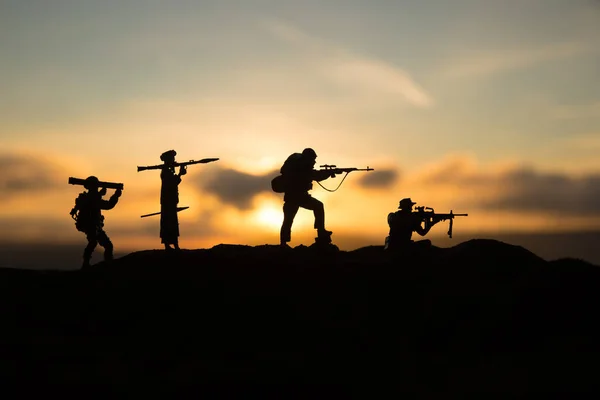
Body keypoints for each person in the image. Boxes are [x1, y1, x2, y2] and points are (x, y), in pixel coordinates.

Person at [279, 148, 338, 246]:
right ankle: (321, 233)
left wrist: (328, 173)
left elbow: (314, 174)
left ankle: (284, 243)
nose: (314, 162)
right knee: (290, 219)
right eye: (313, 159)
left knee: (289, 220)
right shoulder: (302, 169)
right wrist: (329, 173)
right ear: (308, 159)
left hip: (296, 196)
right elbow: (316, 176)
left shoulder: (300, 167)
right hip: (296, 197)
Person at [70, 176, 122, 268]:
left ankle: (106, 262)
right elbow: (107, 205)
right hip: (90, 225)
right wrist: (114, 195)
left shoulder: (91, 198)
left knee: (106, 245)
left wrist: (114, 195)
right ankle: (87, 263)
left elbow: (107, 205)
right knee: (95, 242)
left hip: (95, 226)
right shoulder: (90, 198)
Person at [160, 150, 186, 250]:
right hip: (168, 201)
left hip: (170, 200)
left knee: (171, 222)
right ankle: (171, 244)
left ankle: (171, 244)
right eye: (172, 158)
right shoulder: (167, 171)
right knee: (169, 222)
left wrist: (179, 173)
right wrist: (180, 174)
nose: (174, 160)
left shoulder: (168, 170)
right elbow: (173, 183)